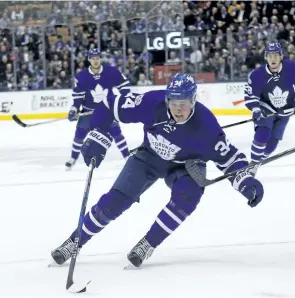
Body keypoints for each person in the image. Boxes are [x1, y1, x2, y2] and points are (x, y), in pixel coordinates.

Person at [51, 73, 264, 268]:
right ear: (166, 100)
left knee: (189, 195)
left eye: (184, 104)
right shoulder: (152, 102)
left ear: (193, 101)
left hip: (186, 164)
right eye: (173, 104)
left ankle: (148, 243)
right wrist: (98, 133)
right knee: (115, 201)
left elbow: (231, 160)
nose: (178, 110)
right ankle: (75, 241)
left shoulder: (207, 125)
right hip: (149, 157)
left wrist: (246, 183)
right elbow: (108, 105)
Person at [244, 42, 295, 175]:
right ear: (265, 57)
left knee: (272, 145)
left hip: (285, 110)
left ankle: (257, 161)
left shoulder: (293, 68)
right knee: (263, 134)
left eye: (275, 55)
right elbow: (251, 95)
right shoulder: (257, 74)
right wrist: (256, 109)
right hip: (266, 108)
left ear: (281, 56)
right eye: (269, 56)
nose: (273, 59)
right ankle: (253, 165)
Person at [65, 48, 130, 170]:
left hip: (107, 111)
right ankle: (73, 159)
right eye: (93, 58)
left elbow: (125, 86)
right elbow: (77, 98)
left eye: (97, 58)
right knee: (79, 135)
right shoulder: (82, 76)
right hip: (88, 111)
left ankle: (127, 158)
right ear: (89, 60)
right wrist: (74, 109)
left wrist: (123, 99)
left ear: (100, 58)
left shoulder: (111, 72)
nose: (95, 61)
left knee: (117, 134)